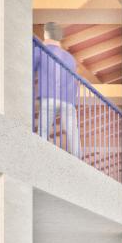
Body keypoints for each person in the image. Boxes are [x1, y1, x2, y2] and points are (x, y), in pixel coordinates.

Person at [34, 22, 81, 157]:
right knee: (72, 130)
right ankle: (78, 157)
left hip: (49, 96)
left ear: (46, 33)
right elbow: (74, 80)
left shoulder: (41, 50)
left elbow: (29, 68)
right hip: (68, 99)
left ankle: (41, 155)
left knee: (44, 129)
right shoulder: (70, 58)